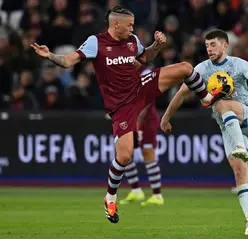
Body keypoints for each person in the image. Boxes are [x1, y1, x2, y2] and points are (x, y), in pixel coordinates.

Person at [31, 7, 230, 224]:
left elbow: (144, 59)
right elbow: (69, 61)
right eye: (130, 25)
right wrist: (49, 55)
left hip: (140, 87)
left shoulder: (132, 40)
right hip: (121, 106)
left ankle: (206, 98)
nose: (133, 29)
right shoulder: (96, 42)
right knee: (124, 156)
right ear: (116, 25)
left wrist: (156, 46)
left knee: (185, 68)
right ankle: (110, 197)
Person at [160, 29, 248, 236]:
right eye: (207, 45)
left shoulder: (239, 64)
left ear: (225, 45)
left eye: (213, 45)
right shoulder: (201, 69)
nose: (209, 49)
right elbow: (181, 94)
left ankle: (240, 146)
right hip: (228, 126)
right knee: (239, 173)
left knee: (221, 105)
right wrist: (165, 118)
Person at [119, 64, 164, 206]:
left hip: (147, 121)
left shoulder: (146, 72)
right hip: (130, 118)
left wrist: (138, 120)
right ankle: (136, 190)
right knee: (124, 152)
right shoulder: (127, 72)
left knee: (147, 153)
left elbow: (147, 99)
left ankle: (157, 194)